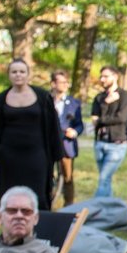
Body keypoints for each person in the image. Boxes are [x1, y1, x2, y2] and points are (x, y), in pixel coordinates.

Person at [0, 59, 65, 211]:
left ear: (28, 74)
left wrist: (57, 153)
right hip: (8, 156)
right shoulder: (0, 99)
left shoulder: (43, 97)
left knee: (39, 194)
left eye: (22, 71)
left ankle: (40, 226)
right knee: (8, 194)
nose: (18, 75)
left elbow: (53, 126)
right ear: (9, 75)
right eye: (14, 72)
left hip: (36, 155)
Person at [91, 65, 127, 198]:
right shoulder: (99, 98)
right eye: (101, 76)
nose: (102, 79)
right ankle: (108, 212)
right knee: (105, 180)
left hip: (117, 144)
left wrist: (101, 120)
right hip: (100, 143)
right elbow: (94, 120)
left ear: (115, 77)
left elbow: (122, 117)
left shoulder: (124, 96)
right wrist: (106, 103)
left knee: (104, 178)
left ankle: (96, 209)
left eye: (106, 76)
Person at [50, 70, 84, 206]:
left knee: (67, 177)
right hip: (49, 144)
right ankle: (48, 203)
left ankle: (68, 206)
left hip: (66, 144)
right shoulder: (45, 100)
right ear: (53, 84)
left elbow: (80, 125)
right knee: (47, 176)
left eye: (66, 82)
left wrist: (74, 132)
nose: (65, 85)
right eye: (61, 82)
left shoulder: (74, 103)